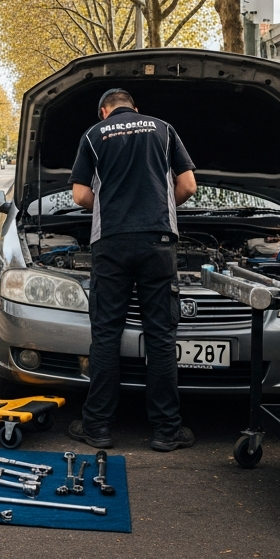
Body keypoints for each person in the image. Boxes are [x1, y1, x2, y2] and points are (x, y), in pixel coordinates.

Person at [67, 88, 197, 452]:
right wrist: (157, 205)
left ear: (103, 111)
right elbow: (187, 185)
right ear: (135, 108)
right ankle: (166, 431)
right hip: (158, 242)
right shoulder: (164, 129)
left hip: (111, 243)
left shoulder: (94, 135)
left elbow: (79, 195)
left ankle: (98, 428)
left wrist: (111, 206)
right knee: (160, 336)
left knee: (106, 334)